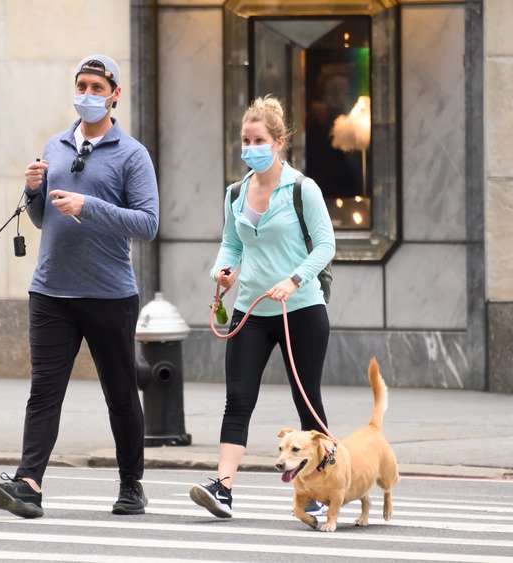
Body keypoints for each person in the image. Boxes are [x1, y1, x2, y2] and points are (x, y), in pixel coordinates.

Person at [0, 54, 159, 519]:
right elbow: (40, 220)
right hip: (51, 292)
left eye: (98, 88)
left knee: (120, 393)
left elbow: (147, 224)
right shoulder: (55, 145)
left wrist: (89, 205)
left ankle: (131, 484)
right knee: (44, 391)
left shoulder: (132, 154)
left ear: (115, 94)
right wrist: (34, 191)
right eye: (82, 85)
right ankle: (28, 485)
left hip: (109, 294)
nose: (88, 94)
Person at [189, 96, 335, 519]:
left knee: (306, 402)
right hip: (250, 310)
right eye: (245, 139)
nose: (250, 147)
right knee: (237, 399)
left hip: (301, 310)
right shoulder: (236, 192)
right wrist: (224, 271)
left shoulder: (302, 188)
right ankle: (223, 488)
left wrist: (294, 280)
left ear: (278, 141)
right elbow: (231, 244)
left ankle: (325, 483)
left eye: (258, 139)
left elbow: (326, 244)